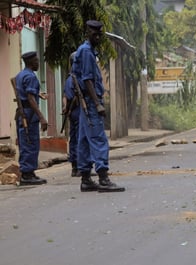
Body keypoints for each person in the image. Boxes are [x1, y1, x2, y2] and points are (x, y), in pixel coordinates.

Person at [71, 20, 125, 192]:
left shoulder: (86, 50)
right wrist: (97, 103)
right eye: (95, 33)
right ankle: (103, 178)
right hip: (91, 103)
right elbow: (87, 80)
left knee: (85, 141)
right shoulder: (86, 52)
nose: (98, 36)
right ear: (88, 33)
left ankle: (86, 179)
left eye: (100, 33)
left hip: (85, 102)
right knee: (98, 139)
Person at [14, 51, 48, 185]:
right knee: (30, 142)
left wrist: (39, 95)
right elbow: (30, 98)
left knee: (25, 142)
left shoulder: (20, 76)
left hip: (22, 113)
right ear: (30, 62)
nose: (38, 63)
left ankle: (29, 172)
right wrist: (42, 117)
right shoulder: (31, 77)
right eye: (36, 61)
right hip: (29, 113)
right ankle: (27, 174)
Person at [62, 52, 80, 177]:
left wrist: (66, 108)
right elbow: (69, 97)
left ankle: (76, 166)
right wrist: (67, 108)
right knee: (79, 139)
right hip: (77, 112)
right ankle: (78, 166)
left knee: (74, 139)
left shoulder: (70, 78)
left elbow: (65, 97)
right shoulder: (74, 78)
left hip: (73, 112)